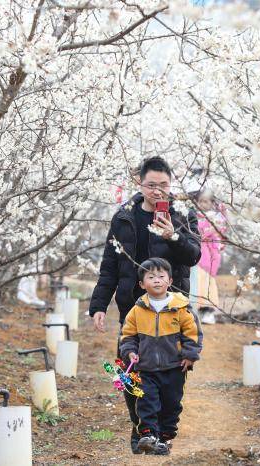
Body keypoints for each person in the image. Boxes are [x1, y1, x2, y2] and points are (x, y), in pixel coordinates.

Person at [89, 156, 201, 453]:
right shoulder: (124, 216)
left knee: (170, 377)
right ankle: (141, 428)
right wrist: (99, 305)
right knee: (128, 370)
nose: (158, 191)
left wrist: (173, 236)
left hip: (172, 310)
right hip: (133, 310)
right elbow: (109, 264)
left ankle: (161, 432)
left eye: (163, 185)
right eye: (151, 185)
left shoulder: (182, 213)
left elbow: (193, 256)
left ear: (170, 184)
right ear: (140, 183)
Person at [120, 258, 203, 455]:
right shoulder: (137, 310)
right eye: (151, 277)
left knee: (171, 405)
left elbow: (193, 333)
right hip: (146, 368)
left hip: (174, 367)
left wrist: (190, 355)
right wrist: (130, 352)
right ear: (142, 284)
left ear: (170, 280)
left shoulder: (180, 307)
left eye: (161, 276)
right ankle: (148, 435)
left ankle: (164, 439)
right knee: (146, 401)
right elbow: (128, 336)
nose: (156, 280)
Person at [189, 190, 227, 324]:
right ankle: (195, 310)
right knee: (195, 281)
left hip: (209, 254)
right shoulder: (193, 216)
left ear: (212, 203)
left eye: (206, 201)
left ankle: (207, 311)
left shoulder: (216, 218)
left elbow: (207, 234)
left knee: (206, 282)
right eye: (200, 201)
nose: (202, 204)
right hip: (196, 253)